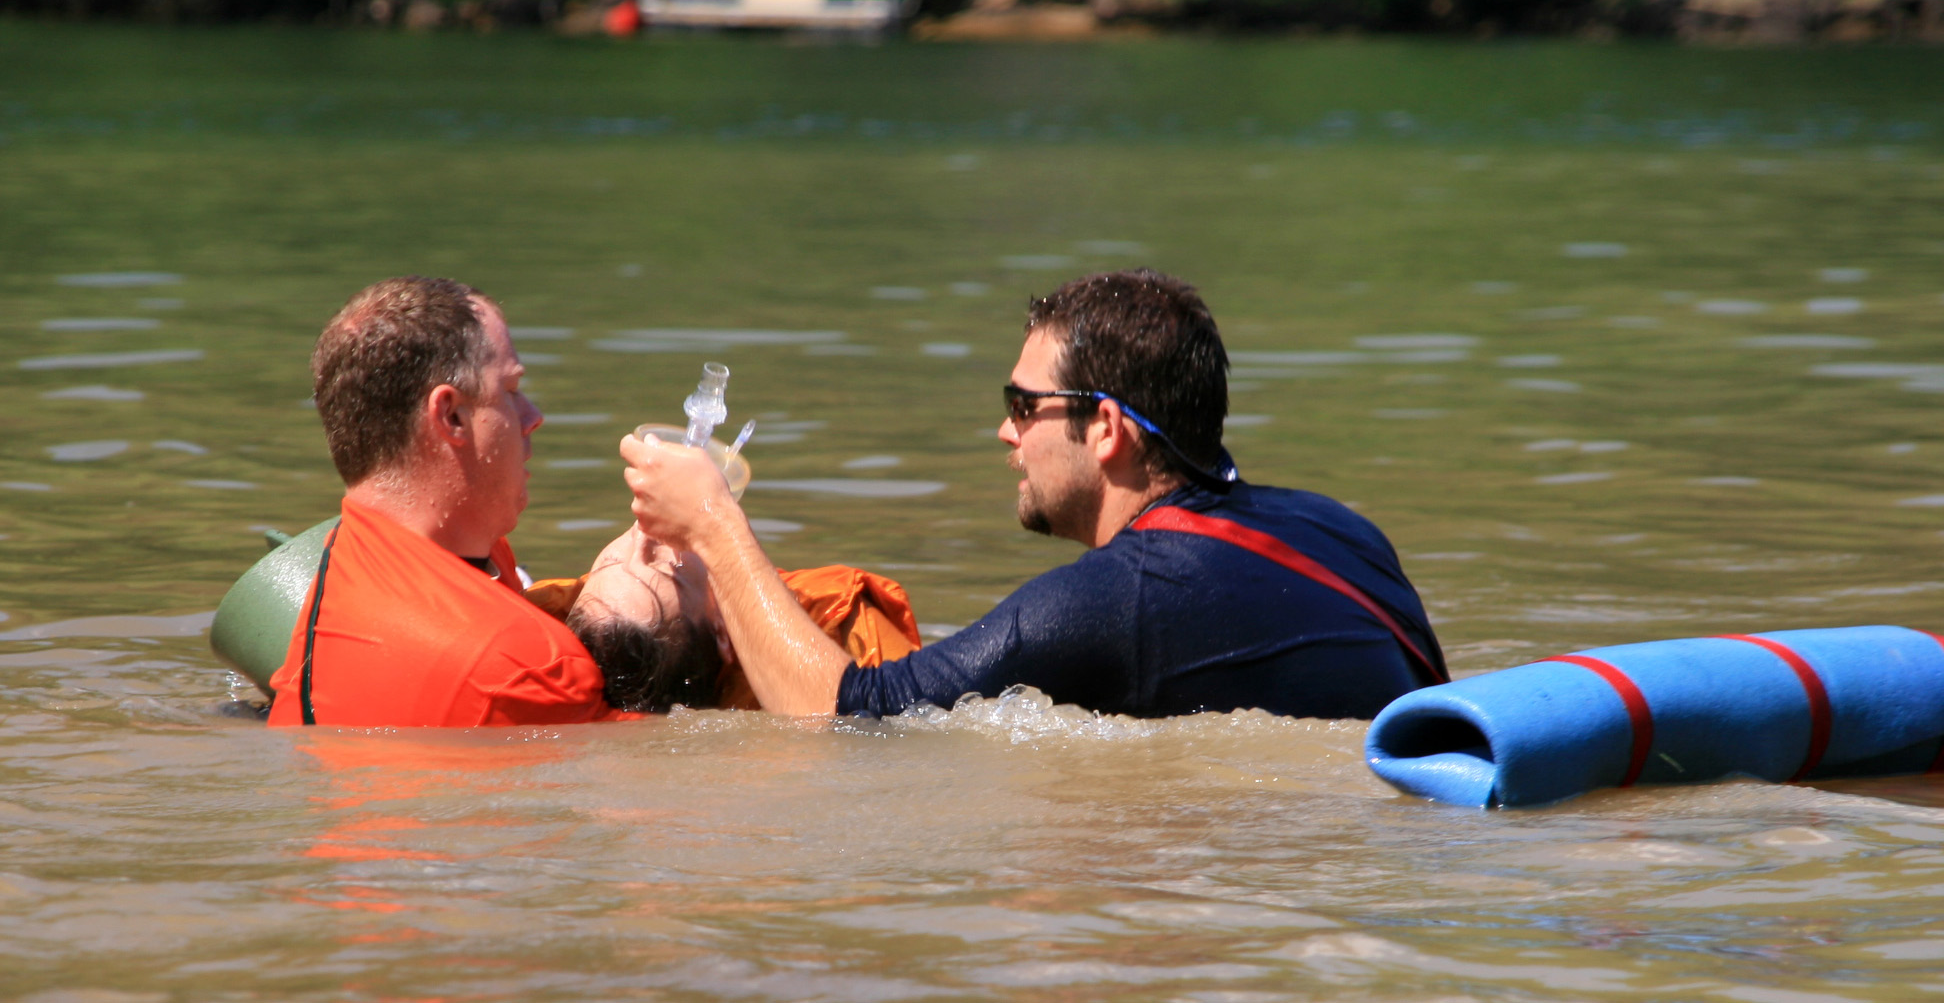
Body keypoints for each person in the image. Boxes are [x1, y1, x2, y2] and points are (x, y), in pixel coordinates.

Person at [618, 268, 1448, 719]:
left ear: (1108, 430)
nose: (1006, 433)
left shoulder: (1114, 601)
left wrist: (713, 522)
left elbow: (845, 723)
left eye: (1024, 406)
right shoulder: (1339, 527)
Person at [266, 276, 632, 727]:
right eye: (512, 391)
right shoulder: (526, 664)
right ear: (452, 415)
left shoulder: (339, 564)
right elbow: (722, 762)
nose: (534, 418)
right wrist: (717, 538)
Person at [524, 525, 925, 712]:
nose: (643, 535)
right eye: (666, 566)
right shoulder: (846, 629)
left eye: (611, 558)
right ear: (723, 631)